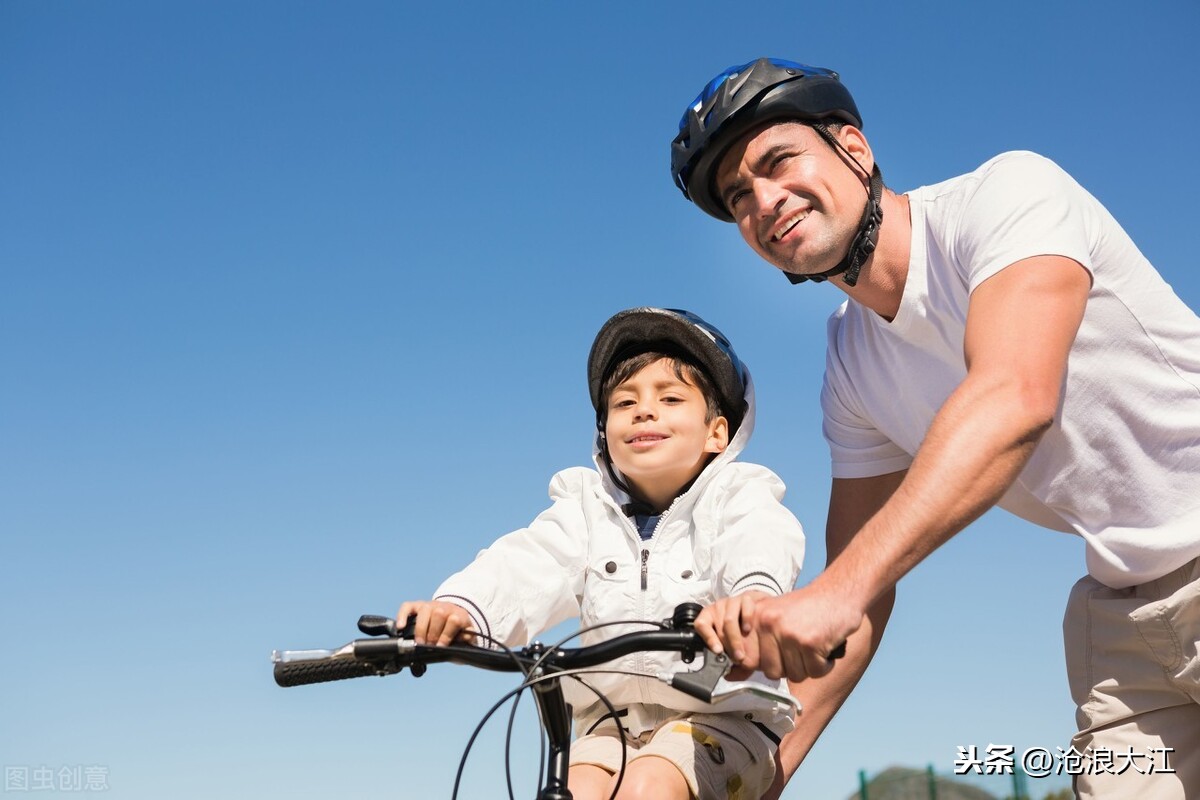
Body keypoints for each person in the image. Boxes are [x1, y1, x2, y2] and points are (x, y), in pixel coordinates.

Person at [671, 58, 1200, 800]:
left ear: (853, 148)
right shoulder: (851, 362)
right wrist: (761, 772)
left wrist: (838, 593)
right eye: (738, 196)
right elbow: (856, 594)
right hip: (1121, 617)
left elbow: (1013, 394)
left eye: (778, 160)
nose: (763, 199)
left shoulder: (1008, 197)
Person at [397, 306, 806, 800]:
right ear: (604, 435)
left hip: (722, 718)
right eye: (623, 402)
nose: (644, 410)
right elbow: (528, 563)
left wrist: (753, 597)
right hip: (609, 724)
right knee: (576, 789)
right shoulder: (586, 510)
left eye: (671, 397)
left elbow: (760, 536)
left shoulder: (736, 494)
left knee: (649, 787)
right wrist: (461, 610)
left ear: (717, 432)